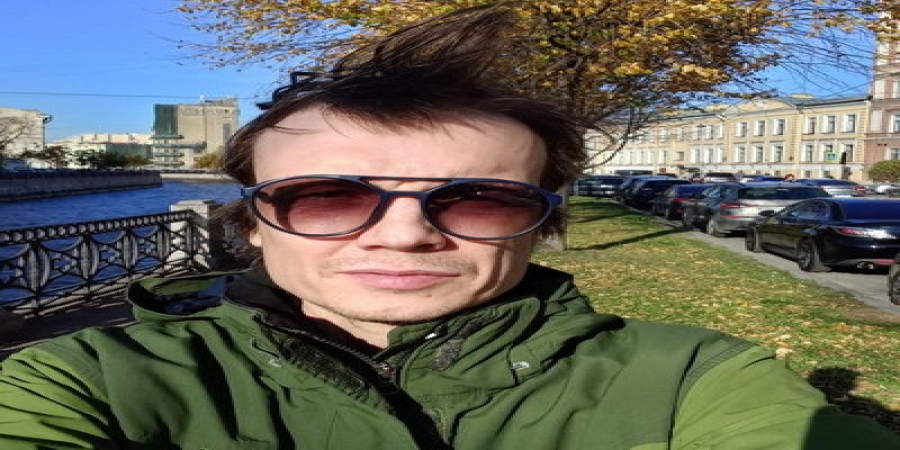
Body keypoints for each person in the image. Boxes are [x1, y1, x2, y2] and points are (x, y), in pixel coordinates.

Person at [1, 6, 898, 450]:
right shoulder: (88, 380)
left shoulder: (692, 381)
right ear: (256, 224)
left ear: (541, 225)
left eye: (476, 200)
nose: (402, 236)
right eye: (328, 197)